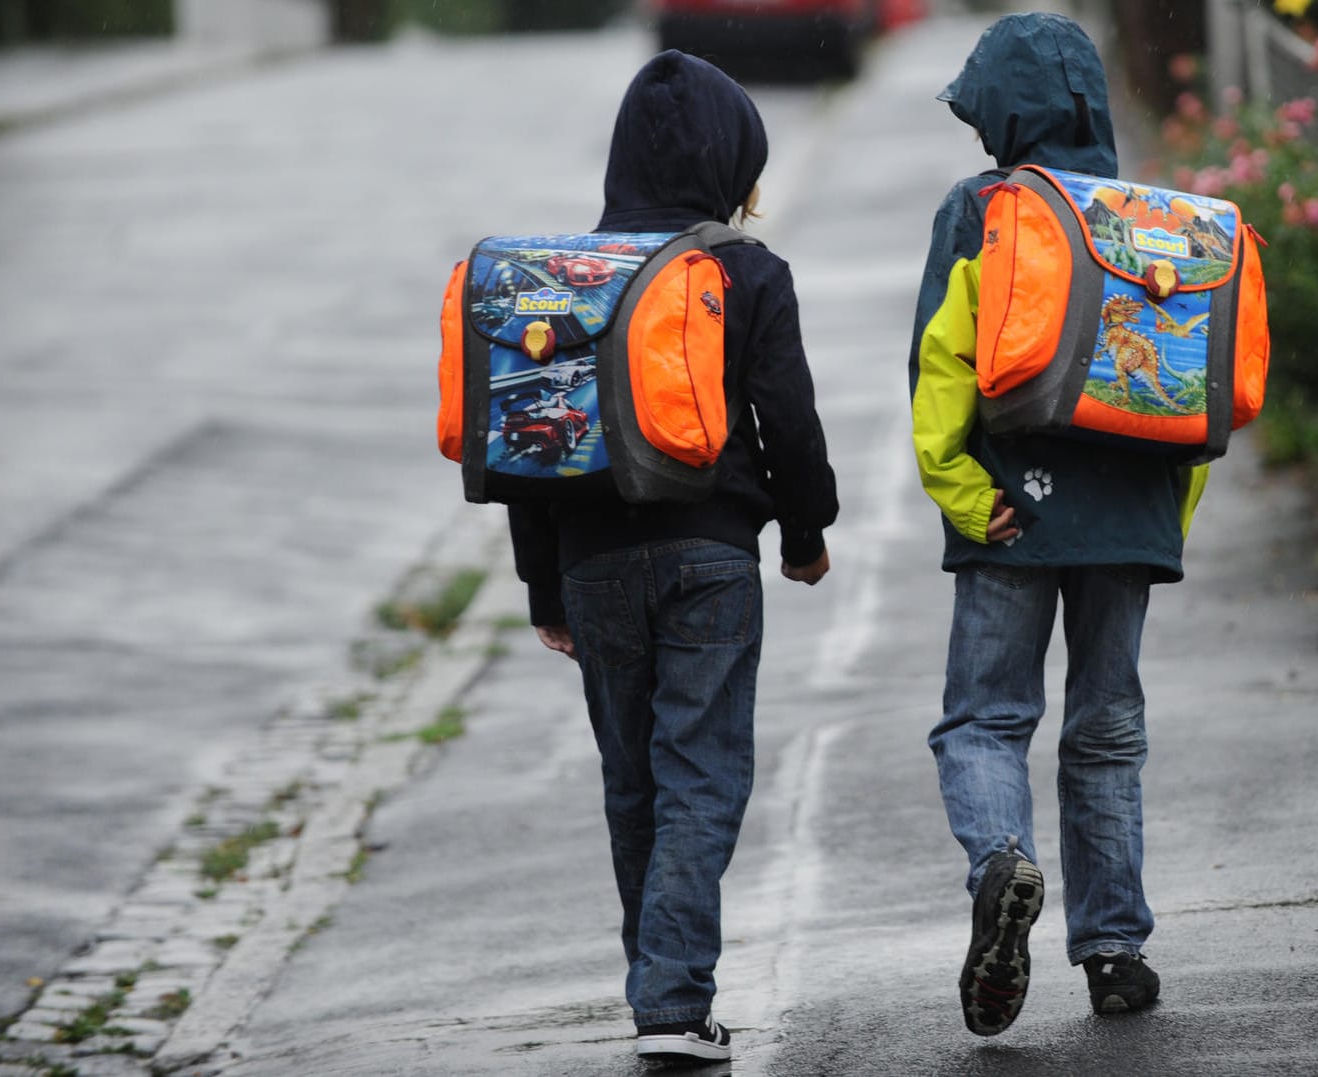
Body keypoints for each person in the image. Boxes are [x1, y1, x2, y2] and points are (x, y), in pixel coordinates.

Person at [510, 50, 837, 1066]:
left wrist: (541, 584)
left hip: (595, 564)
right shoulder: (746, 271)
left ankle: (660, 988)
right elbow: (789, 418)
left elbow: (529, 443)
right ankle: (671, 998)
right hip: (711, 556)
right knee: (702, 775)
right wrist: (804, 530)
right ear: (735, 162)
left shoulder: (566, 282)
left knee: (633, 784)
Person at [908, 12, 1206, 1037]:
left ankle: (1003, 862)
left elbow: (942, 360)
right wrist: (1167, 516)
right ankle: (1116, 951)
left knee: (987, 718)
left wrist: (955, 486)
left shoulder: (984, 208)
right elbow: (1194, 395)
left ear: (1006, 112)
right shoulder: (1153, 218)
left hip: (1010, 509)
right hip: (1131, 514)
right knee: (1108, 732)